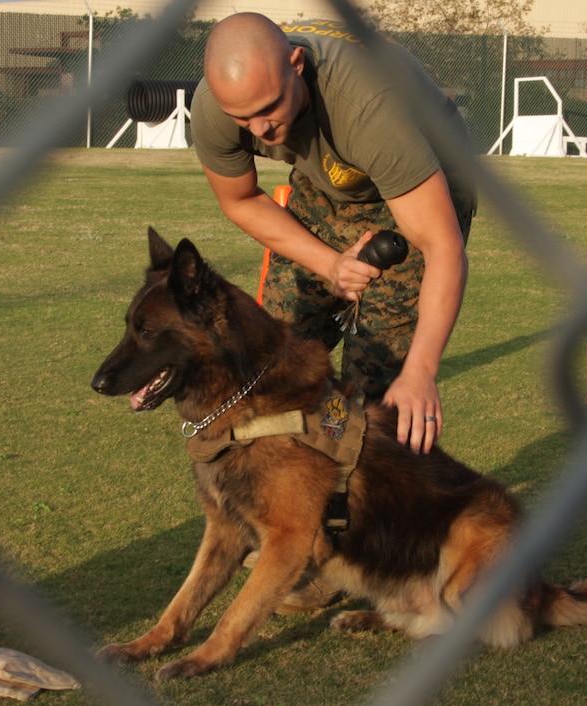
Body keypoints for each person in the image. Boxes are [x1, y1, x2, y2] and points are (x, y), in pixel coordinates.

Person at [191, 13, 476, 457]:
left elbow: (442, 245)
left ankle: (366, 502)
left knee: (376, 388)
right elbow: (240, 199)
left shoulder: (367, 105)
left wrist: (421, 369)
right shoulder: (216, 106)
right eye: (242, 117)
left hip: (425, 172)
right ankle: (295, 481)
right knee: (276, 358)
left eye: (269, 108)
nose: (260, 129)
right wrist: (330, 263)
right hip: (331, 179)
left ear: (297, 64)